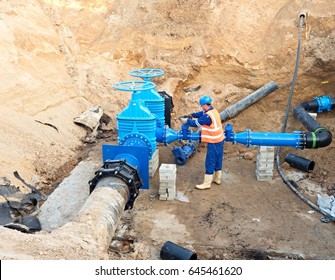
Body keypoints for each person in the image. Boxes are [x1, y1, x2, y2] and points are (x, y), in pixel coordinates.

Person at [181, 95, 225, 190]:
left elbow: (196, 123)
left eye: (202, 105)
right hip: (220, 140)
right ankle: (217, 179)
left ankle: (207, 183)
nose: (201, 107)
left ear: (205, 104)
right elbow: (201, 113)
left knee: (210, 160)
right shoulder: (213, 111)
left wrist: (186, 121)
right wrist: (192, 115)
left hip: (214, 141)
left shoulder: (207, 116)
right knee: (218, 159)